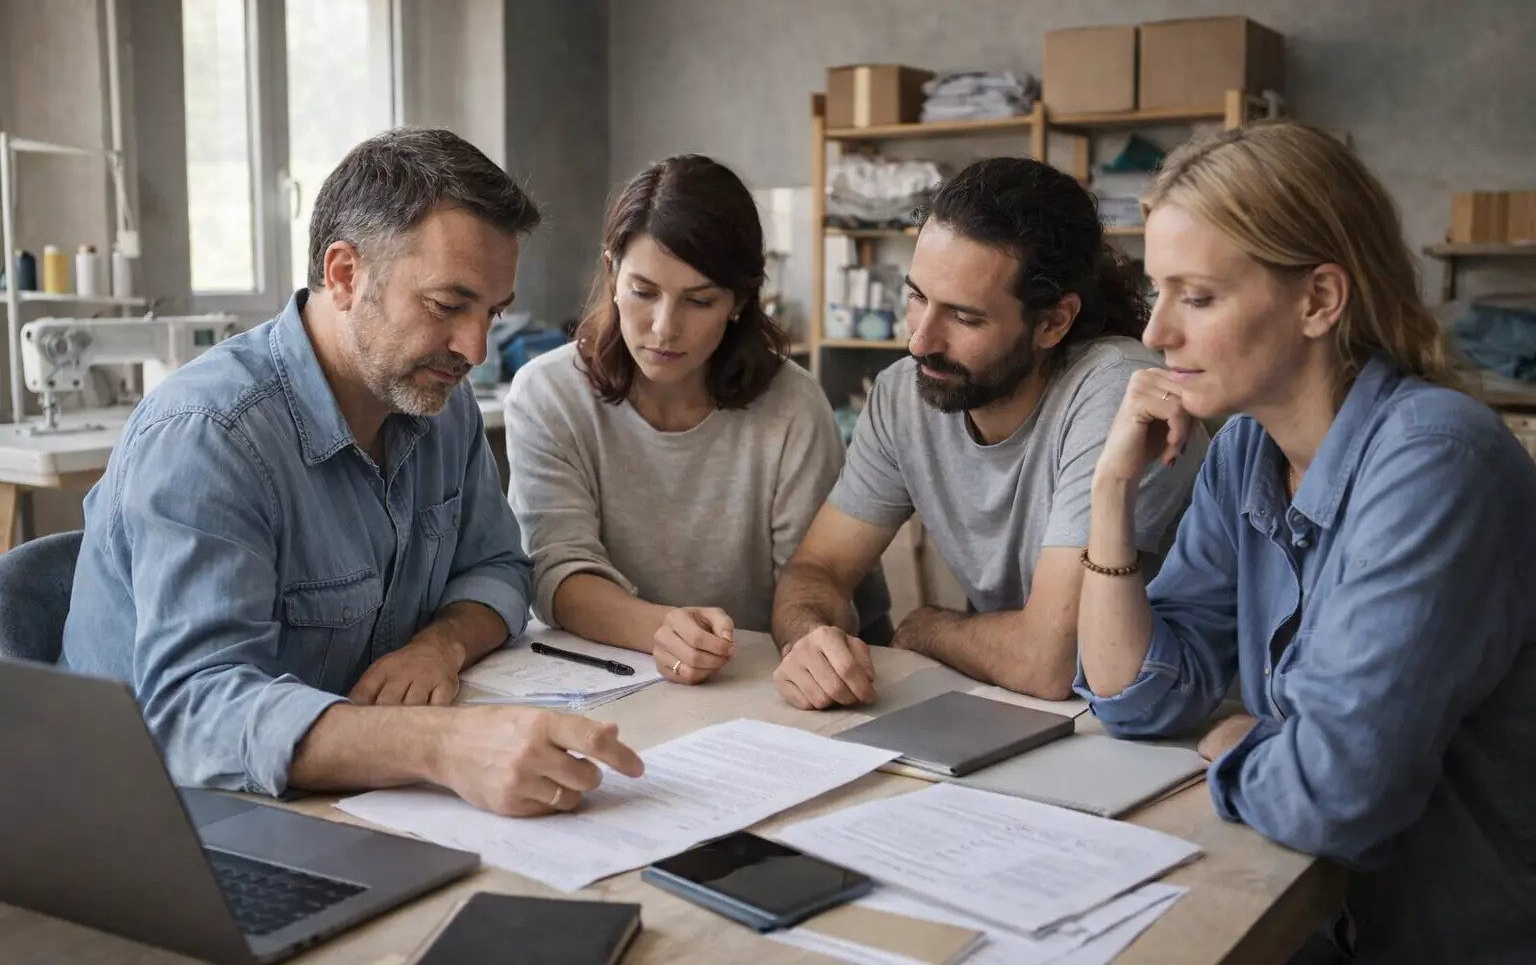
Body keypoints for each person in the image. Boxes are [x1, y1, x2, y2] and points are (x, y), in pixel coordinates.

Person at [60, 127, 643, 817]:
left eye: (493, 313)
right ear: (343, 275)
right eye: (448, 305)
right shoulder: (208, 437)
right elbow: (195, 711)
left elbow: (498, 568)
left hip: (345, 803)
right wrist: (439, 744)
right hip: (166, 822)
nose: (475, 348)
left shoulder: (437, 403)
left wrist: (441, 646)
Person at [1075, 121, 1536, 963]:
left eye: (1199, 297)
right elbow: (1137, 698)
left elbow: (1334, 794)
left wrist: (1246, 743)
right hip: (1308, 920)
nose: (1156, 334)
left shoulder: (1437, 462)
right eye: (1157, 293)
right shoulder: (1248, 448)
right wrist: (1111, 493)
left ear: (1320, 300)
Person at [772, 157, 1205, 711]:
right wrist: (809, 637)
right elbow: (817, 569)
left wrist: (927, 627)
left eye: (965, 318)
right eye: (917, 297)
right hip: (1019, 706)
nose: (920, 342)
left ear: (1053, 322)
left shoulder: (1116, 391)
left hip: (1164, 720)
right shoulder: (904, 393)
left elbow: (1051, 660)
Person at [506, 154, 889, 684]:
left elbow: (811, 584)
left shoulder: (792, 406)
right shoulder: (547, 394)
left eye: (699, 300)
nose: (665, 328)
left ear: (739, 301)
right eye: (643, 292)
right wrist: (660, 629)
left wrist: (812, 647)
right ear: (612, 272)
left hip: (759, 679)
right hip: (605, 678)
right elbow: (557, 574)